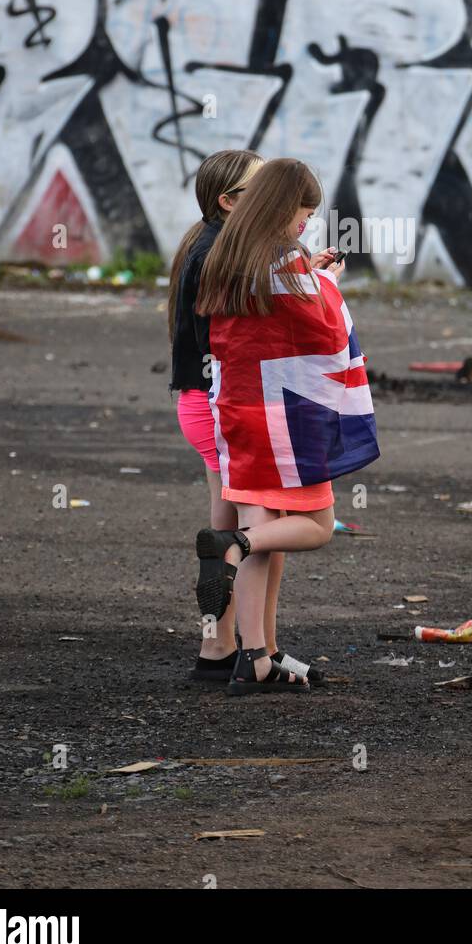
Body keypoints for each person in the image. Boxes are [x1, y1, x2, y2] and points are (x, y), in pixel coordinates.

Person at [194, 157, 379, 694]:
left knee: (263, 537)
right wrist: (325, 281)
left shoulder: (229, 253)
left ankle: (255, 658)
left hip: (239, 414)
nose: (307, 222)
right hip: (287, 422)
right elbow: (321, 326)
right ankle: (231, 546)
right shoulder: (283, 261)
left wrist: (310, 274)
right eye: (304, 211)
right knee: (314, 527)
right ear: (281, 206)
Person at [169, 149, 330, 685]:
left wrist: (303, 274)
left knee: (240, 529)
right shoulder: (226, 251)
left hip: (205, 401)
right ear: (230, 201)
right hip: (223, 403)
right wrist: (311, 287)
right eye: (260, 192)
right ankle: (256, 655)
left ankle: (219, 651)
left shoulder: (209, 244)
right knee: (258, 531)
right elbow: (252, 329)